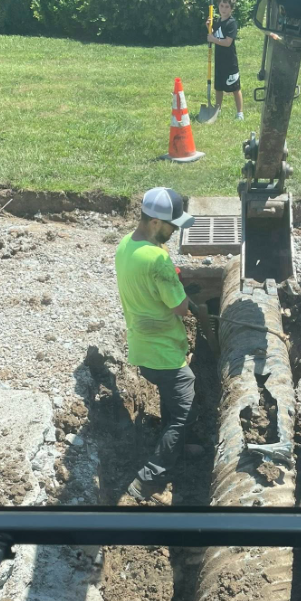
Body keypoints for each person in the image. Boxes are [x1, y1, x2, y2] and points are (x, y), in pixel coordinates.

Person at [115, 187, 202, 505]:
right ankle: (147, 480)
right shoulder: (158, 259)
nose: (176, 230)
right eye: (172, 225)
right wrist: (185, 293)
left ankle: (184, 444)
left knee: (172, 398)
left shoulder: (126, 245)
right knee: (185, 408)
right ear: (154, 222)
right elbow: (181, 308)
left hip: (142, 346)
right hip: (164, 351)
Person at [207, 0, 244, 120]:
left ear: (231, 8)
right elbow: (214, 34)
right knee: (219, 87)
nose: (223, 9)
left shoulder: (231, 23)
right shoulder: (218, 22)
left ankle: (240, 113)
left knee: (235, 87)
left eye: (227, 7)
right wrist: (209, 27)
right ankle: (218, 109)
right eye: (222, 6)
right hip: (219, 60)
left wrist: (213, 39)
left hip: (230, 61)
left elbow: (227, 42)